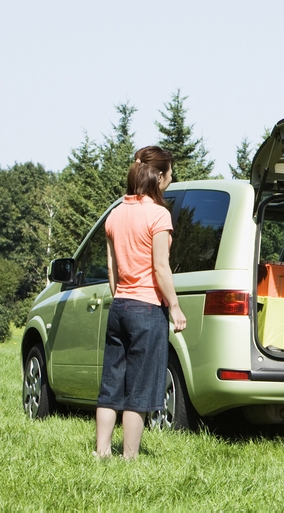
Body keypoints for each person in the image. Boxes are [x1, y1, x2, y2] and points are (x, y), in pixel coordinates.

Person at [95, 146, 187, 460]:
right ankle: (129, 456)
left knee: (111, 384)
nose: (172, 177)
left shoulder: (116, 213)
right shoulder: (159, 215)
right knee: (140, 387)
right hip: (148, 310)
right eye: (170, 172)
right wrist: (174, 306)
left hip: (119, 306)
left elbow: (112, 269)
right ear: (158, 176)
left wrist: (120, 294)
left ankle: (102, 451)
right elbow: (161, 267)